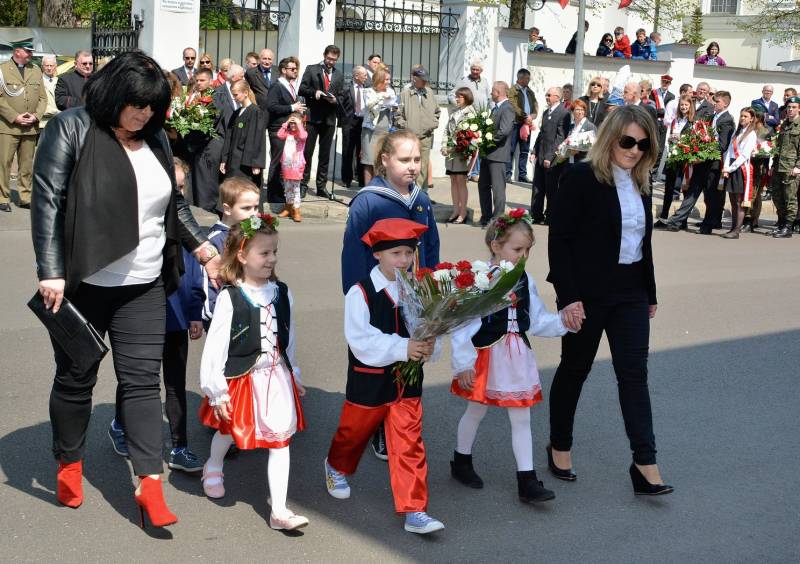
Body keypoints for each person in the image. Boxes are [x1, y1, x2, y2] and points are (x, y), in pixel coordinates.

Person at [32, 51, 221, 525]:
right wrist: (51, 270)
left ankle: (149, 483)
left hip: (144, 283)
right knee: (76, 378)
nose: (144, 114)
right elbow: (48, 201)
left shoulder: (154, 136)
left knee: (140, 382)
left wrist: (203, 247)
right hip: (84, 284)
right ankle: (69, 463)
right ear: (113, 94)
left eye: (153, 107)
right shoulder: (72, 128)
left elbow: (174, 205)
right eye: (137, 104)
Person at [547, 105, 673, 496]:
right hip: (587, 293)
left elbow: (642, 243)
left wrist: (650, 292)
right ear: (610, 139)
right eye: (627, 141)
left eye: (643, 144)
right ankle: (559, 445)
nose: (634, 150)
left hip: (631, 292)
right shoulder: (581, 177)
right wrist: (569, 297)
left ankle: (645, 463)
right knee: (575, 369)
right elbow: (560, 241)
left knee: (634, 375)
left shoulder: (640, 181)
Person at [325, 217, 443, 535]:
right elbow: (361, 341)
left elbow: (427, 327)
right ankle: (335, 465)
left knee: (409, 443)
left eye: (409, 253)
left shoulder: (417, 289)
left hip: (408, 382)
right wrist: (405, 347)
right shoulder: (360, 293)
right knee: (354, 434)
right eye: (396, 253)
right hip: (369, 379)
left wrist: (431, 344)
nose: (404, 260)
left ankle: (415, 509)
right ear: (377, 254)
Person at [449, 209, 576, 504]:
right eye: (517, 249)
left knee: (521, 417)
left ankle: (527, 480)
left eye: (527, 250)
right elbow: (462, 325)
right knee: (476, 410)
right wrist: (463, 364)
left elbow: (537, 319)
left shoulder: (524, 280)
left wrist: (564, 323)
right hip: (484, 356)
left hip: (516, 357)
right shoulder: (479, 278)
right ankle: (461, 461)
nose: (523, 256)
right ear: (496, 245)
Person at [198, 214, 308, 531]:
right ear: (242, 256)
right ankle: (213, 466)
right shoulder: (231, 297)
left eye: (274, 252)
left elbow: (289, 337)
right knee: (229, 430)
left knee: (280, 440)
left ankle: (280, 511)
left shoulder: (282, 293)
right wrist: (217, 391)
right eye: (264, 253)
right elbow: (216, 347)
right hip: (241, 378)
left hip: (277, 377)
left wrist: (294, 372)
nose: (271, 259)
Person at [107, 158, 206, 472]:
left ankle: (179, 447)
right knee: (137, 380)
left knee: (175, 383)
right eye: (172, 186)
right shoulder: (144, 225)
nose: (177, 193)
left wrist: (194, 314)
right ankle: (120, 425)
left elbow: (194, 277)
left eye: (181, 187)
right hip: (142, 317)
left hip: (176, 319)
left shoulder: (188, 229)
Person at [202, 177, 261, 327]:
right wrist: (211, 314)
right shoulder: (215, 239)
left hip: (249, 308)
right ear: (227, 209)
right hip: (222, 315)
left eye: (256, 207)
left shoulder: (251, 231)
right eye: (246, 208)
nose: (253, 214)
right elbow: (207, 281)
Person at [0, 39, 46, 212]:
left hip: (30, 127)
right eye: (28, 51)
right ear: (17, 51)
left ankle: (25, 197)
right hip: (8, 126)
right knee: (4, 163)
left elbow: (43, 98)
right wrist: (15, 117)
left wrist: (36, 116)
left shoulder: (35, 70)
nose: (31, 54)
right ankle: (3, 197)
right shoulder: (3, 70)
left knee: (26, 164)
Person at [299, 45, 344, 199]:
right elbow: (302, 89)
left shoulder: (339, 75)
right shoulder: (312, 69)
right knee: (307, 153)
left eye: (334, 60)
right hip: (313, 117)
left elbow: (342, 95)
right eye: (329, 58)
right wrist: (314, 92)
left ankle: (321, 186)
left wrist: (336, 100)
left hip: (329, 119)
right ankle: (303, 184)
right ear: (324, 55)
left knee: (324, 155)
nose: (331, 62)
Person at [264, 57, 306, 205]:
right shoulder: (277, 86)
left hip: (288, 130)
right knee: (277, 161)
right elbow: (271, 106)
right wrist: (292, 107)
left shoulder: (290, 86)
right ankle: (273, 195)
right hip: (278, 129)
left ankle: (282, 192)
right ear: (283, 70)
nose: (295, 71)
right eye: (292, 69)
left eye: (296, 69)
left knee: (286, 161)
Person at [396, 66, 440, 191]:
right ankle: (410, 191)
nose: (425, 82)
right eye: (422, 79)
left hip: (426, 136)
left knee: (423, 166)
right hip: (410, 137)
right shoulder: (405, 94)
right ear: (414, 79)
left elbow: (437, 112)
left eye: (426, 79)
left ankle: (421, 193)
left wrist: (432, 124)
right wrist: (406, 126)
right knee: (410, 166)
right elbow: (397, 115)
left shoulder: (429, 93)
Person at [477, 82, 515, 226]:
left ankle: (497, 219)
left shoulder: (507, 108)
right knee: (483, 186)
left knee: (498, 189)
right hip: (488, 154)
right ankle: (486, 216)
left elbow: (504, 131)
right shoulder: (495, 108)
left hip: (498, 155)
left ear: (498, 92)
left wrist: (488, 141)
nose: (491, 93)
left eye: (492, 91)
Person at [698, 91, 735, 234]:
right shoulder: (714, 116)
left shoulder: (727, 120)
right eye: (714, 101)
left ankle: (709, 223)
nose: (714, 103)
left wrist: (705, 149)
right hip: (708, 160)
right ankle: (713, 220)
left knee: (713, 194)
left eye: (717, 101)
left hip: (717, 162)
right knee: (709, 193)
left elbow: (722, 145)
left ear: (725, 104)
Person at [220, 80, 267, 189]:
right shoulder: (236, 113)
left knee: (244, 189)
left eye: (236, 94)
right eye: (232, 95)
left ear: (245, 93)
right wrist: (224, 159)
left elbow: (257, 139)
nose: (234, 98)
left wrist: (256, 163)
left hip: (246, 163)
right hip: (233, 160)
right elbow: (229, 137)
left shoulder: (256, 112)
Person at [531, 87, 568, 224]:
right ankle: (536, 215)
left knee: (551, 189)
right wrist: (534, 151)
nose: (546, 97)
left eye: (549, 95)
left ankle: (551, 216)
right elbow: (541, 134)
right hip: (541, 155)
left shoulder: (563, 113)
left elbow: (560, 137)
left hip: (551, 158)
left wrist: (550, 157)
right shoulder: (546, 112)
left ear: (557, 97)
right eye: (546, 95)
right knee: (537, 187)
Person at [720, 108, 758, 239]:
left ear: (751, 119)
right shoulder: (737, 133)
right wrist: (726, 167)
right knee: (732, 200)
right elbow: (729, 151)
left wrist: (730, 168)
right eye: (741, 116)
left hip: (740, 168)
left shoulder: (751, 134)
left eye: (746, 116)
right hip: (731, 167)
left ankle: (736, 230)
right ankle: (732, 228)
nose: (742, 118)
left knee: (739, 201)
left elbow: (744, 155)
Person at [767, 96, 800, 238]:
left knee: (790, 198)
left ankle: (788, 227)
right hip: (779, 166)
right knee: (777, 196)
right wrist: (773, 164)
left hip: (791, 168)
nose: (790, 109)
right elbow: (778, 147)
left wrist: (798, 166)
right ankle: (781, 223)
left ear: (799, 109)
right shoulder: (784, 124)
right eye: (788, 107)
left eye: (793, 107)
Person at [443, 87, 475, 224]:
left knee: (461, 181)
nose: (456, 99)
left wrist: (453, 148)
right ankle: (456, 210)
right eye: (456, 96)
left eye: (459, 97)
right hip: (451, 153)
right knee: (453, 180)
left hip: (462, 153)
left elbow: (469, 136)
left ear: (466, 98)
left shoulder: (471, 114)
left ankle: (463, 212)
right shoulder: (455, 112)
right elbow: (446, 131)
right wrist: (444, 146)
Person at [360, 67, 397, 185]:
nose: (388, 82)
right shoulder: (368, 91)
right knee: (368, 161)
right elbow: (369, 105)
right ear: (379, 80)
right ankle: (368, 189)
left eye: (389, 79)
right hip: (370, 131)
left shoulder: (390, 91)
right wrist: (382, 97)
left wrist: (392, 104)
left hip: (383, 131)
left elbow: (393, 103)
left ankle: (378, 188)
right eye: (386, 79)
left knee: (380, 161)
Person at [660, 95, 694, 219]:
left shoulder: (693, 122)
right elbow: (669, 137)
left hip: (685, 159)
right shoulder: (675, 120)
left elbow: (694, 140)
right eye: (682, 105)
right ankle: (664, 216)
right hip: (673, 157)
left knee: (685, 188)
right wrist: (671, 138)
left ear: (690, 106)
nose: (683, 107)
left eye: (686, 105)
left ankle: (682, 219)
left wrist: (681, 138)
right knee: (668, 188)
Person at [742, 107, 773, 232]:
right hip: (747, 165)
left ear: (758, 118)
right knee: (750, 193)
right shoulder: (749, 130)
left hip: (759, 168)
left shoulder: (766, 132)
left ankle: (751, 220)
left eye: (753, 116)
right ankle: (750, 219)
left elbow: (770, 150)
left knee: (754, 194)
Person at [507, 68, 538, 182]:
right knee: (511, 149)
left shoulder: (530, 91)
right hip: (516, 123)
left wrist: (532, 116)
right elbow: (513, 105)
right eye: (527, 78)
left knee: (524, 150)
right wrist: (525, 116)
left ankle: (522, 175)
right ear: (520, 78)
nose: (528, 80)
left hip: (527, 125)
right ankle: (507, 174)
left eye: (529, 78)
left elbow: (535, 106)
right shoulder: (512, 90)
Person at [340, 65, 369, 189]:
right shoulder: (346, 87)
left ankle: (362, 179)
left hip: (363, 123)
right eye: (364, 75)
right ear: (356, 76)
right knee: (348, 151)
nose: (366, 77)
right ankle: (346, 179)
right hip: (350, 123)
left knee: (362, 152)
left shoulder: (367, 88)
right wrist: (344, 119)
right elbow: (340, 104)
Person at [277, 113, 307, 222]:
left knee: (296, 189)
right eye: (292, 123)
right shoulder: (287, 133)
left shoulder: (302, 133)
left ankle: (296, 210)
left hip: (296, 166)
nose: (293, 125)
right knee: (287, 187)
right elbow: (279, 135)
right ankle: (288, 207)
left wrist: (299, 124)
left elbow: (303, 136)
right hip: (287, 165)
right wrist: (286, 123)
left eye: (295, 123)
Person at [561, 99, 597, 165]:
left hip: (583, 163)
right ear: (572, 111)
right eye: (577, 109)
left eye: (582, 110)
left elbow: (594, 146)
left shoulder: (590, 126)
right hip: (570, 162)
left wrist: (578, 150)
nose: (580, 112)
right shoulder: (571, 126)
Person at [39, 54, 60, 131]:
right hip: (43, 124)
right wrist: (58, 112)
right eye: (46, 65)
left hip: (59, 123)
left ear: (56, 66)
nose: (49, 68)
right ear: (42, 67)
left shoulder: (60, 81)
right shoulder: (37, 81)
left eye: (51, 65)